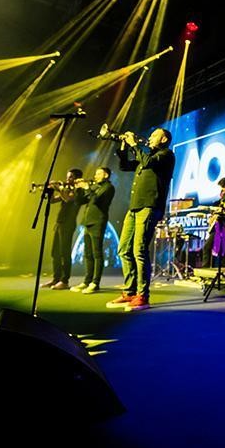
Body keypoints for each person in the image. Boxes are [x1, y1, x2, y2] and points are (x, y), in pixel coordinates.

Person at [106, 128, 175, 311]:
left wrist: (134, 145)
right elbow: (124, 166)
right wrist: (124, 147)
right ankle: (129, 292)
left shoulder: (166, 155)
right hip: (135, 207)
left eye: (154, 135)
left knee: (139, 250)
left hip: (149, 206)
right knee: (123, 250)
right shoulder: (147, 156)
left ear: (163, 139)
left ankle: (143, 296)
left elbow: (147, 162)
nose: (150, 137)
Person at [70, 167, 116, 295]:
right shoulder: (95, 187)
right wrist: (78, 189)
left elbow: (96, 200)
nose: (95, 176)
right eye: (95, 174)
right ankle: (87, 281)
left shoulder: (108, 188)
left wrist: (86, 187)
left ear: (106, 175)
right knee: (88, 254)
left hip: (98, 222)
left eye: (98, 173)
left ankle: (95, 283)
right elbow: (79, 202)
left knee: (97, 253)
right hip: (87, 222)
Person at [41, 168, 82, 290]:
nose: (67, 179)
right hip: (59, 223)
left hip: (68, 224)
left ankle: (65, 280)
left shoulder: (78, 191)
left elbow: (68, 199)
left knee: (65, 252)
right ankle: (56, 278)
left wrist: (59, 188)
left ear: (77, 179)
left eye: (70, 177)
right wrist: (50, 191)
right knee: (55, 252)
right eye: (67, 177)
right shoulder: (66, 190)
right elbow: (53, 201)